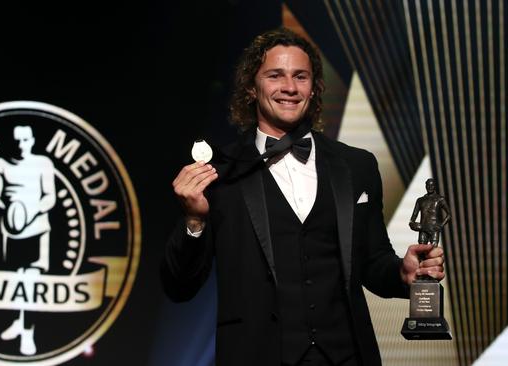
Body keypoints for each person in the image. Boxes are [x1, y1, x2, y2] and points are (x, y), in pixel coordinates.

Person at [161, 27, 445, 366]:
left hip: (347, 356)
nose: (290, 88)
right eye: (275, 75)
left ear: (314, 88)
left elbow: (371, 263)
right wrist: (194, 221)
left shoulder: (357, 165)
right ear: (252, 87)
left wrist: (402, 273)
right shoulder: (220, 173)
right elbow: (180, 286)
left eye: (301, 76)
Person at [0, 125, 56, 355]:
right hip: (11, 232)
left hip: (36, 230)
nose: (21, 145)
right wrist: (5, 208)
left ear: (33, 140)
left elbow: (50, 197)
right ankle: (19, 321)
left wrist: (29, 212)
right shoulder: (1, 164)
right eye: (17, 140)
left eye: (25, 140)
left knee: (31, 284)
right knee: (18, 282)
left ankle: (28, 333)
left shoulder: (44, 163)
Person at [409, 178, 451, 246]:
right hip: (422, 229)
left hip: (434, 229)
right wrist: (412, 224)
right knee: (421, 251)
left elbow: (449, 215)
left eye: (432, 185)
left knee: (433, 252)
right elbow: (413, 216)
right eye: (428, 185)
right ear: (425, 186)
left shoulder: (440, 199)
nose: (430, 187)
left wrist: (441, 225)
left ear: (435, 186)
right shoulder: (420, 200)